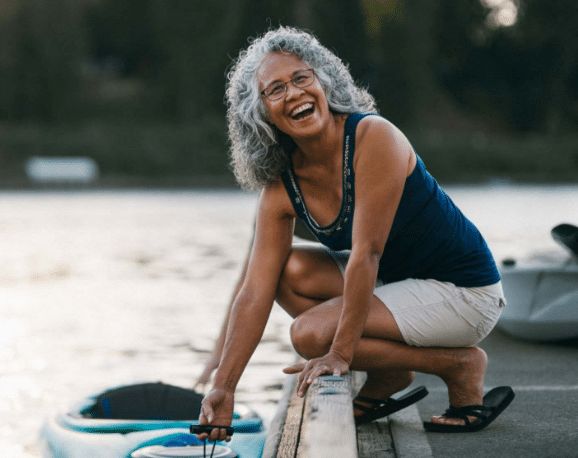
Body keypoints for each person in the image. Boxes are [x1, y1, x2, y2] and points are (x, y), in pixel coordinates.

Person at [196, 26, 514, 441]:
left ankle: (457, 365)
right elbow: (254, 292)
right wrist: (224, 385)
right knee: (287, 269)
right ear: (260, 114)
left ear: (323, 81)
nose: (293, 93)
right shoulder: (281, 187)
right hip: (400, 283)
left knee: (309, 335)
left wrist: (339, 354)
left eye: (300, 78)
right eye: (275, 89)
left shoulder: (373, 137)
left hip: (463, 293)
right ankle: (391, 371)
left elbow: (367, 254)